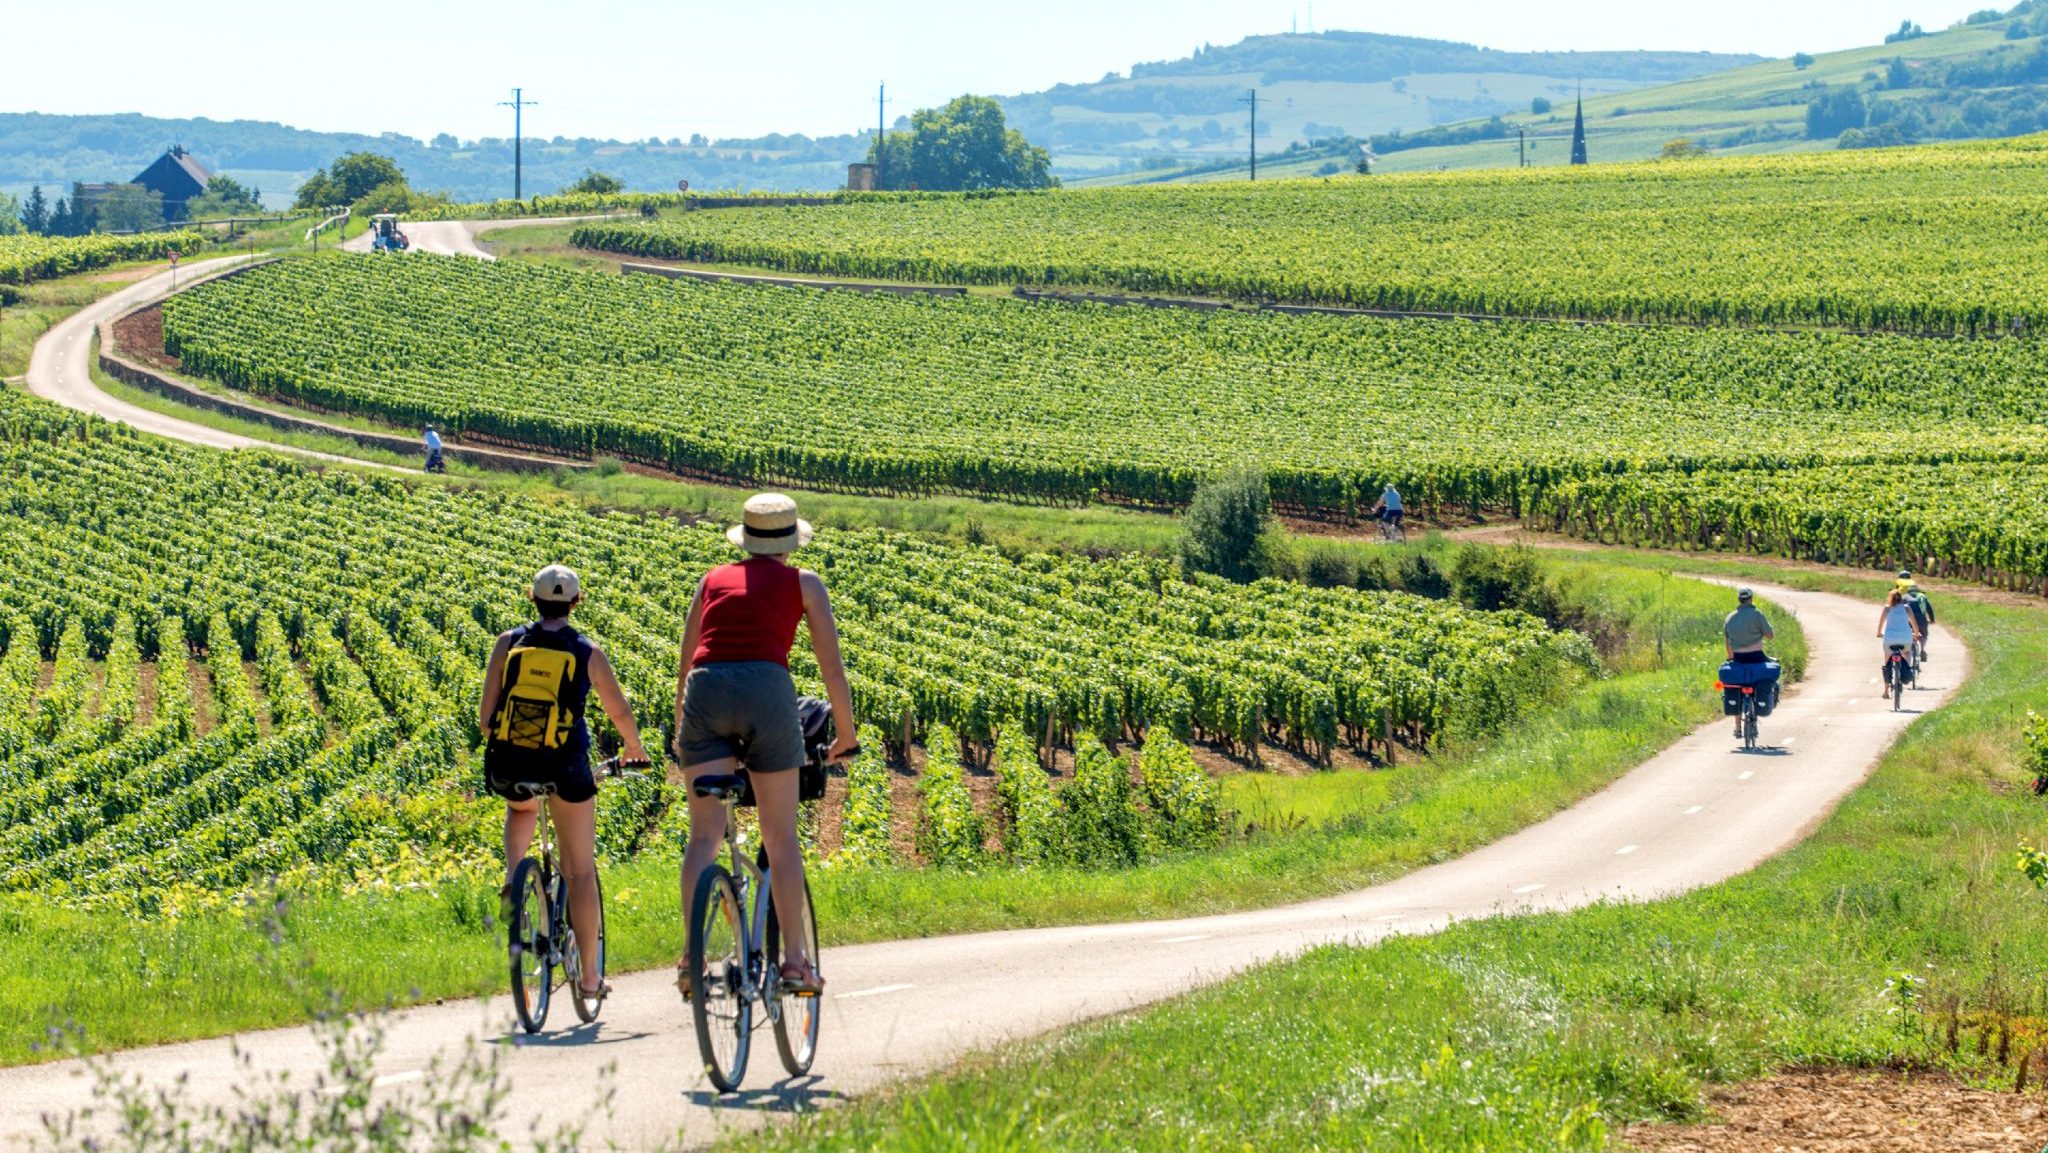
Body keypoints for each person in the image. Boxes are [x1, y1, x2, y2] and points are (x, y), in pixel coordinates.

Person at [676, 494, 857, 994]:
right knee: (779, 839)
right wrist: (845, 733)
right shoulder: (804, 583)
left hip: (705, 692)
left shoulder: (711, 580)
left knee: (703, 837)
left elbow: (688, 660)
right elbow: (831, 666)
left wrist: (681, 728)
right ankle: (795, 963)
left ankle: (692, 957)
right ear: (790, 542)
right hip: (768, 690)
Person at [479, 564, 650, 1001]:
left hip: (510, 763)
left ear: (532, 599)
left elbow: (486, 718)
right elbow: (619, 711)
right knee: (579, 872)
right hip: (567, 765)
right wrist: (633, 746)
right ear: (576, 603)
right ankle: (590, 980)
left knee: (520, 806)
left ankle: (515, 879)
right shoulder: (585, 651)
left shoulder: (508, 642)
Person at [1723, 587, 1776, 737]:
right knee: (1763, 679)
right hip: (1756, 657)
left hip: (1738, 658)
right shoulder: (1757, 614)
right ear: (1751, 599)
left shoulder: (1730, 617)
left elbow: (1727, 641)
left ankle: (1738, 728)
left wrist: (1731, 657)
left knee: (1737, 687)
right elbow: (1770, 635)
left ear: (1739, 599)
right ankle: (1757, 709)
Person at [1876, 589, 1925, 697]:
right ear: (1901, 599)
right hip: (1905, 639)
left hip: (1889, 640)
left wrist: (1879, 633)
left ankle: (1886, 691)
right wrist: (1916, 634)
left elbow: (1880, 625)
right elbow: (1914, 624)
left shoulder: (1887, 609)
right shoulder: (1907, 608)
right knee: (1907, 653)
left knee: (1887, 663)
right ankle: (1905, 671)